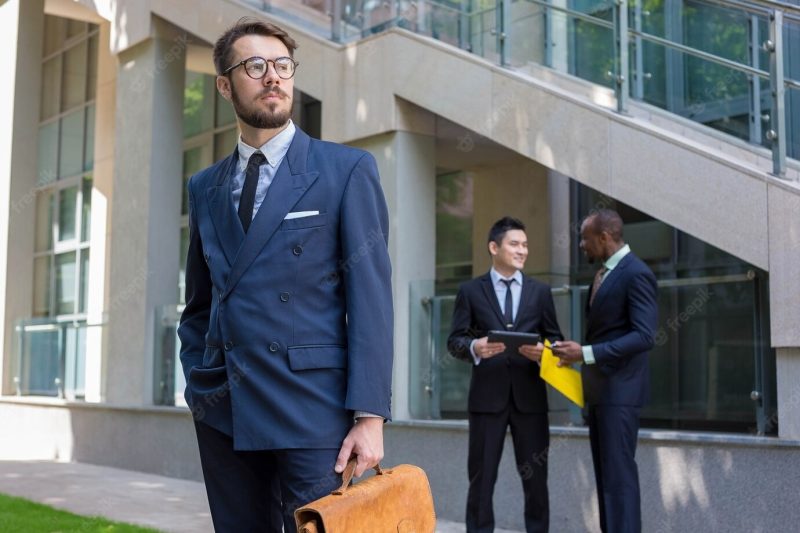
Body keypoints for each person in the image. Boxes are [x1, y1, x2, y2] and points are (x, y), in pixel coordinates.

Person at [177, 18, 393, 533]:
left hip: (313, 412)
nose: (272, 77)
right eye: (255, 66)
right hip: (225, 406)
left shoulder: (345, 170)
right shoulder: (205, 186)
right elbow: (200, 303)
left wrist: (370, 416)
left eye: (282, 66)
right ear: (226, 85)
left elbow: (371, 302)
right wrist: (197, 380)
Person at [447, 216, 563, 533]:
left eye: (525, 244)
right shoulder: (470, 291)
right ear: (494, 247)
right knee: (482, 480)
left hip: (531, 402)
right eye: (515, 243)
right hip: (487, 401)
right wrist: (474, 347)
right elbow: (454, 341)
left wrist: (546, 352)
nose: (522, 250)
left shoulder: (540, 292)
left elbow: (557, 340)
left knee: (537, 483)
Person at [551, 209, 657, 533]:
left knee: (619, 479)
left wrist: (585, 353)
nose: (582, 245)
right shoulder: (603, 274)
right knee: (606, 478)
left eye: (584, 238)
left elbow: (644, 335)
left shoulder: (636, 273)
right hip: (600, 393)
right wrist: (578, 355)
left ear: (604, 237)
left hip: (621, 394)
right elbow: (608, 333)